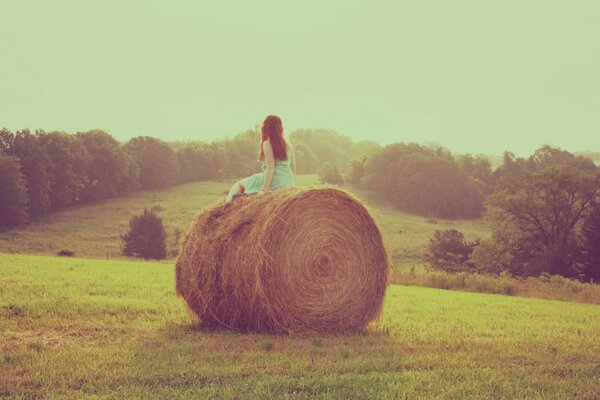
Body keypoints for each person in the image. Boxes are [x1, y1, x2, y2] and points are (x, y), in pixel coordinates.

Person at [226, 115, 296, 202]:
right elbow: (293, 166)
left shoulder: (267, 143)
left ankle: (226, 206)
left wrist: (265, 190)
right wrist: (292, 185)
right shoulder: (289, 144)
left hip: (274, 180)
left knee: (238, 184)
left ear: (266, 127)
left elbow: (271, 167)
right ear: (280, 127)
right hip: (288, 181)